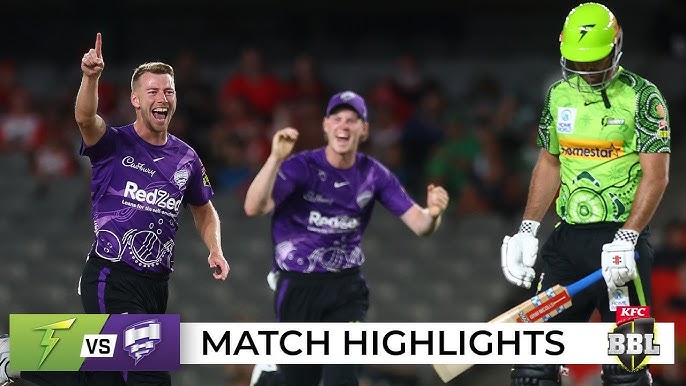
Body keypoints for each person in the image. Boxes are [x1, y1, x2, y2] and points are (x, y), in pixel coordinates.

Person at [0, 32, 230, 386]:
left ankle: (19, 355)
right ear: (135, 100)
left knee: (109, 377)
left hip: (156, 286)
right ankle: (21, 355)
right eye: (152, 91)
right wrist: (91, 77)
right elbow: (84, 118)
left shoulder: (186, 157)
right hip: (112, 276)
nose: (162, 98)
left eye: (168, 91)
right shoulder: (114, 143)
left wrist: (214, 247)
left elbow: (203, 208)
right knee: (149, 375)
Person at [500, 3, 670, 386]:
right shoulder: (559, 94)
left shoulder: (644, 97)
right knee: (532, 368)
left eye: (596, 62)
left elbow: (656, 176)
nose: (588, 71)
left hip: (623, 252)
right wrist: (528, 228)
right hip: (566, 246)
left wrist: (628, 237)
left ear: (617, 46)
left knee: (629, 367)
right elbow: (549, 163)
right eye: (579, 63)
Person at [243, 90, 449, 386]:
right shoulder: (301, 166)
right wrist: (275, 158)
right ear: (326, 125)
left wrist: (435, 213)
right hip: (298, 286)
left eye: (352, 120)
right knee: (299, 381)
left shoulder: (373, 174)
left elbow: (420, 224)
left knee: (343, 378)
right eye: (337, 118)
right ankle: (270, 373)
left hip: (346, 289)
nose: (344, 125)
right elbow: (253, 207)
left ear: (364, 129)